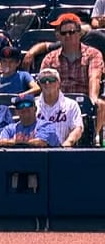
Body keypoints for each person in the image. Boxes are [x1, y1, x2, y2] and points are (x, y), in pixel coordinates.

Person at [38, 13, 105, 146]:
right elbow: (43, 82)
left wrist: (92, 98)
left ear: (79, 33)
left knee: (100, 104)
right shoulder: (50, 58)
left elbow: (94, 76)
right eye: (63, 33)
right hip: (58, 102)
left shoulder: (93, 54)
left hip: (83, 100)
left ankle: (93, 139)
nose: (68, 36)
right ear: (58, 36)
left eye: (71, 32)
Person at [34, 67, 83, 148]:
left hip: (63, 150)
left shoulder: (71, 105)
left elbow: (77, 128)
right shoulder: (33, 105)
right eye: (43, 80)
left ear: (58, 83)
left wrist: (67, 144)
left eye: (51, 79)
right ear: (40, 84)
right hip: (37, 152)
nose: (47, 83)